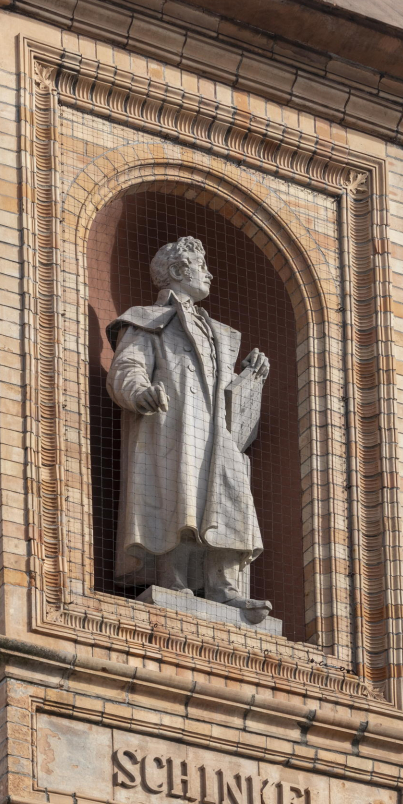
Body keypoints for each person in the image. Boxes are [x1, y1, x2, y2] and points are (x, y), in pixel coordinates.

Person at [106, 236, 271, 615]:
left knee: (229, 497)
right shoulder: (148, 320)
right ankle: (174, 584)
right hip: (173, 427)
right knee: (178, 502)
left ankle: (224, 587)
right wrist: (140, 392)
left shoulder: (218, 332)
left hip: (215, 432)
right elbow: (126, 368)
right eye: (202, 266)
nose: (210, 273)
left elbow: (224, 390)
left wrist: (249, 375)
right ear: (180, 271)